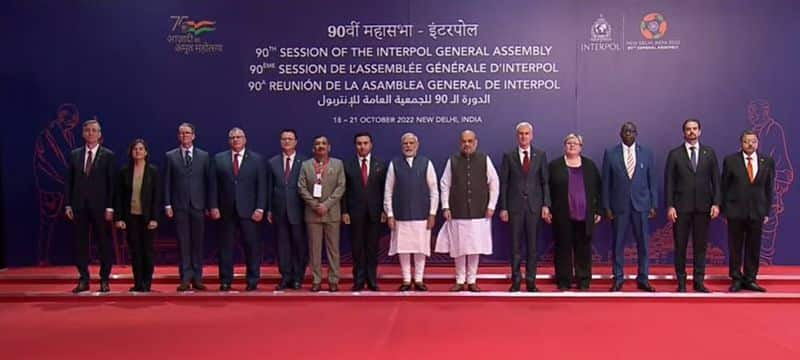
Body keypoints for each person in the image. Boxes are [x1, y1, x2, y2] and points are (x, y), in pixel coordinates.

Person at [436, 130, 499, 292]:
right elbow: (444, 185)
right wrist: (445, 206)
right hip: (457, 211)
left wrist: (491, 206)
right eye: (464, 141)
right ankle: (459, 279)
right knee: (458, 247)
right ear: (460, 143)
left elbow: (494, 184)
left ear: (475, 142)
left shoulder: (485, 159)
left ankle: (471, 280)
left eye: (470, 141)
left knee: (474, 247)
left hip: (479, 212)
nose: (467, 144)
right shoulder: (453, 161)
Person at [664, 118, 720, 292]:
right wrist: (670, 205)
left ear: (700, 131)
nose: (692, 132)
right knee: (680, 246)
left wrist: (716, 203)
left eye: (695, 129)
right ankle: (681, 281)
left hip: (704, 208)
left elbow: (716, 181)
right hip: (681, 208)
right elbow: (669, 182)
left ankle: (698, 281)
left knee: (700, 246)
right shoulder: (675, 154)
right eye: (688, 129)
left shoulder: (709, 153)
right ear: (683, 132)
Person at [601, 122, 658, 292]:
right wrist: (607, 206)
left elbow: (652, 181)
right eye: (625, 131)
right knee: (618, 243)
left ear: (636, 133)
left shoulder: (647, 153)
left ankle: (643, 278)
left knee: (643, 245)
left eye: (632, 131)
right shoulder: (611, 154)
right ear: (620, 134)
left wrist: (653, 204)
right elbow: (606, 183)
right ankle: (618, 278)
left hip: (641, 205)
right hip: (619, 206)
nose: (628, 134)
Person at [209, 127, 267, 291]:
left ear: (245, 139)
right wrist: (213, 206)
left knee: (252, 246)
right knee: (225, 247)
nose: (235, 140)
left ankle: (252, 280)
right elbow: (213, 185)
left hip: (249, 212)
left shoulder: (257, 159)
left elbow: (262, 186)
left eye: (238, 137)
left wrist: (260, 208)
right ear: (229, 141)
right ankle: (225, 280)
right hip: (225, 211)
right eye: (232, 137)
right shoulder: (219, 159)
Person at [64, 118, 116, 293]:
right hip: (79, 206)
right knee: (80, 244)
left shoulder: (108, 155)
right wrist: (68, 205)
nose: (91, 133)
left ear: (100, 134)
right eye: (88, 130)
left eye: (94, 130)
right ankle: (83, 279)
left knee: (103, 243)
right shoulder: (74, 154)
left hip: (101, 207)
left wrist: (110, 207)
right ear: (83, 133)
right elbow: (69, 182)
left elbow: (111, 183)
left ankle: (104, 279)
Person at [498, 122, 551, 292]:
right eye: (521, 133)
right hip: (514, 208)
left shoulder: (540, 155)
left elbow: (545, 182)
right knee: (515, 246)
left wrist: (546, 205)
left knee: (533, 247)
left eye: (526, 133)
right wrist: (504, 207)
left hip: (534, 208)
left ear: (531, 135)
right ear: (517, 136)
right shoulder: (509, 155)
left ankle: (531, 280)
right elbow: (504, 183)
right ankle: (515, 280)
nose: (524, 136)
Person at [384, 133, 439, 292]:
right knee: (404, 248)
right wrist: (390, 214)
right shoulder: (394, 164)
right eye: (405, 144)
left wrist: (432, 213)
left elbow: (434, 190)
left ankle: (419, 279)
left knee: (420, 248)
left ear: (417, 145)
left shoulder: (426, 163)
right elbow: (388, 191)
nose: (408, 146)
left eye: (411, 143)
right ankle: (407, 279)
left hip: (422, 214)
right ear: (402, 146)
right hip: (400, 215)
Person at [721, 130, 774, 292]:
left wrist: (766, 211)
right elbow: (724, 187)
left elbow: (769, 188)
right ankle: (736, 278)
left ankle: (750, 279)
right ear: (741, 143)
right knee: (735, 246)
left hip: (757, 212)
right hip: (735, 211)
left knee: (754, 246)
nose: (750, 144)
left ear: (757, 143)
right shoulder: (730, 161)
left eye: (753, 141)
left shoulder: (767, 161)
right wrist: (724, 210)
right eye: (746, 141)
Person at [163, 123, 214, 291]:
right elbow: (167, 182)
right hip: (179, 205)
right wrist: (168, 204)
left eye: (187, 133)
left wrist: (211, 205)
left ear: (194, 136)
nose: (184, 136)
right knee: (183, 242)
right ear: (178, 136)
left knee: (198, 243)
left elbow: (209, 183)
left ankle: (197, 277)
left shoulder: (204, 156)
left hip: (199, 205)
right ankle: (185, 277)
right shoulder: (170, 156)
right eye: (181, 133)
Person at [548, 134, 601, 291]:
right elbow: (547, 189)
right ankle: (564, 280)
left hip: (584, 216)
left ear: (581, 147)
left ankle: (583, 280)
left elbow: (599, 189)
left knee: (583, 249)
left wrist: (598, 210)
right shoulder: (554, 166)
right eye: (569, 143)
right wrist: (547, 208)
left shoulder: (590, 166)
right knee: (562, 248)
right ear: (564, 146)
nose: (572, 146)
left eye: (575, 143)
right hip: (562, 215)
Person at [297, 135, 346, 292]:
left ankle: (333, 280)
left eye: (324, 143)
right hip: (313, 214)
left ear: (329, 147)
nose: (321, 146)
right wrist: (315, 205)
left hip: (332, 213)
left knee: (333, 249)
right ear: (313, 148)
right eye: (317, 144)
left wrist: (326, 205)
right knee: (314, 250)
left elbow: (341, 187)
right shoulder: (305, 165)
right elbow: (301, 187)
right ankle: (316, 280)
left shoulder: (338, 164)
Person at [114, 139, 161, 292]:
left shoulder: (153, 171)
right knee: (135, 251)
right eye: (135, 149)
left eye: (141, 149)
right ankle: (138, 282)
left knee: (147, 250)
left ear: (146, 152)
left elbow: (156, 197)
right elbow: (119, 197)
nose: (138, 151)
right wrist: (119, 218)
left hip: (148, 218)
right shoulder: (124, 171)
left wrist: (154, 218)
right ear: (131, 152)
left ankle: (147, 283)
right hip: (131, 217)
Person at [35, 104, 79, 265]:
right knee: (48, 222)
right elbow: (48, 161)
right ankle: (43, 257)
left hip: (66, 184)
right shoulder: (47, 135)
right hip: (51, 184)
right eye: (69, 120)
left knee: (71, 222)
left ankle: (68, 257)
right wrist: (62, 179)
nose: (72, 124)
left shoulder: (70, 135)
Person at [341, 132, 386, 291]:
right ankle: (359, 280)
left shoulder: (380, 165)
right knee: (357, 248)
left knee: (372, 249)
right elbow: (344, 191)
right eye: (359, 143)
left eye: (365, 143)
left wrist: (384, 211)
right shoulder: (347, 165)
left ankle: (372, 280)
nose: (362, 146)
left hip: (375, 214)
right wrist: (344, 211)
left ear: (371, 145)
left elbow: (384, 191)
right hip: (354, 214)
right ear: (355, 146)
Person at [267, 129, 308, 290]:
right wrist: (269, 209)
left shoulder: (305, 162)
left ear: (296, 142)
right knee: (282, 246)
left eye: (290, 139)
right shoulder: (272, 162)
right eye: (284, 139)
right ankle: (285, 277)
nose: (287, 142)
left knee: (299, 245)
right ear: (280, 142)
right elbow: (268, 188)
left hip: (298, 210)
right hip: (279, 211)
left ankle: (298, 277)